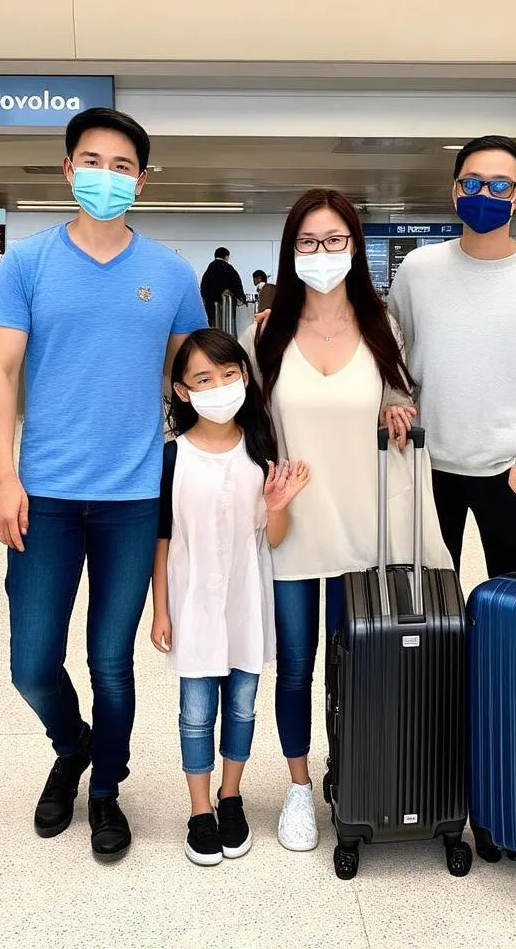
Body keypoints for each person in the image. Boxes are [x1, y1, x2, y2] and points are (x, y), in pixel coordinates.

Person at [0, 107, 206, 862]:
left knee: (111, 660)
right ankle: (71, 746)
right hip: (42, 493)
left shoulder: (171, 275)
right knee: (32, 661)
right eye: (91, 160)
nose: (104, 175)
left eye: (120, 165)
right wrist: (1, 475)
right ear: (66, 168)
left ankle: (106, 786)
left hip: (132, 499)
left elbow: (193, 382)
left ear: (140, 179)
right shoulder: (28, 263)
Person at [241, 188, 451, 854]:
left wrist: (398, 409)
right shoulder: (265, 333)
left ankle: (353, 773)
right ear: (290, 250)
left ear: (355, 247)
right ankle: (299, 789)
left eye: (335, 241)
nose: (323, 253)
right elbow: (247, 427)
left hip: (365, 530)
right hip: (295, 527)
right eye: (309, 242)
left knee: (359, 662)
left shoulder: (380, 325)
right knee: (296, 666)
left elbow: (400, 396)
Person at [151, 329, 309, 867]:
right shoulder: (171, 456)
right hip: (192, 600)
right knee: (196, 712)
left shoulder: (260, 450)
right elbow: (162, 536)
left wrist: (280, 502)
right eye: (203, 379)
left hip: (247, 599)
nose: (219, 387)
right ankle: (199, 810)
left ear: (245, 376)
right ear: (182, 390)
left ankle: (231, 795)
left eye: (229, 374)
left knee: (241, 705)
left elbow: (277, 536)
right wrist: (161, 608)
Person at [388, 136, 516, 578]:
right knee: (432, 605)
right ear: (455, 190)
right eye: (472, 184)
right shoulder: (418, 270)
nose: (484, 195)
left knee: (510, 604)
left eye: (499, 185)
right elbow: (391, 351)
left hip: (508, 470)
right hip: (427, 465)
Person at [201, 247, 246, 327]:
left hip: (210, 305)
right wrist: (241, 297)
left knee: (213, 324)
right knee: (226, 326)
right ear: (226, 256)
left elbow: (203, 287)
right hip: (226, 305)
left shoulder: (209, 268)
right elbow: (236, 284)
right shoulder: (228, 268)